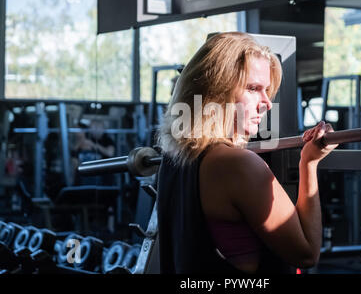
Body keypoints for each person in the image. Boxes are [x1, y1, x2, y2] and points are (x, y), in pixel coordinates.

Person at [156, 32, 338, 274]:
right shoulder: (238, 164)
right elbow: (306, 253)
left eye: (267, 90)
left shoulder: (172, 160)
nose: (267, 102)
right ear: (216, 92)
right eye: (253, 89)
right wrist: (309, 162)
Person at [72, 119, 115, 185]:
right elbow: (77, 157)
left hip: (104, 176)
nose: (94, 130)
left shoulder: (107, 140)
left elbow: (110, 153)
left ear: (103, 128)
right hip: (87, 176)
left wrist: (93, 145)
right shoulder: (88, 139)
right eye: (92, 127)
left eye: (97, 127)